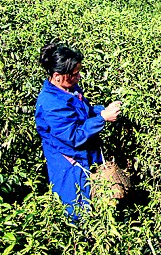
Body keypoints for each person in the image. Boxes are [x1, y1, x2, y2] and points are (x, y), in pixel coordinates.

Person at [35, 43, 121, 218]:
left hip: (86, 159)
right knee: (78, 212)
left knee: (101, 207)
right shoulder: (52, 104)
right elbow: (74, 136)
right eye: (74, 74)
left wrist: (102, 111)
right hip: (71, 167)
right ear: (57, 76)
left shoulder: (69, 89)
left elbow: (84, 112)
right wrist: (103, 118)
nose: (79, 77)